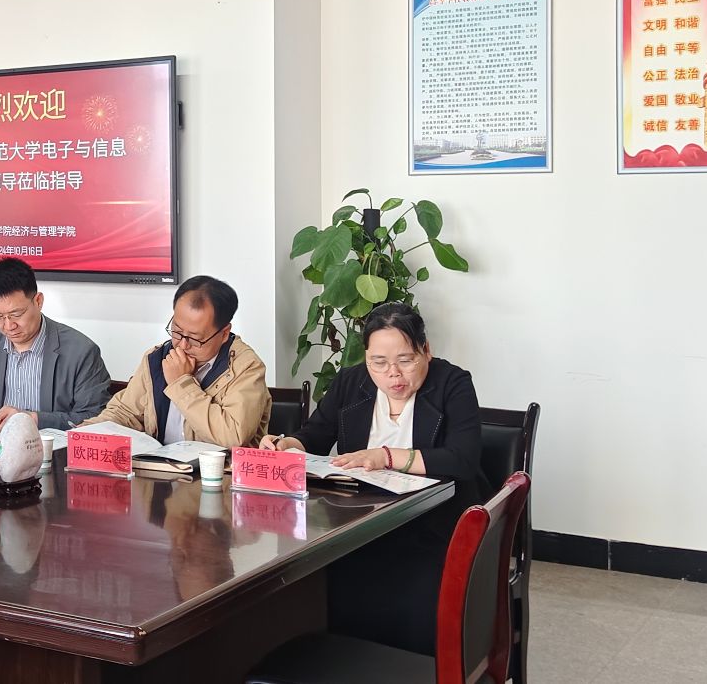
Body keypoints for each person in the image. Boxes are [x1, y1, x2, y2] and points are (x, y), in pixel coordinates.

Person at [261, 301, 486, 654]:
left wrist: (385, 456)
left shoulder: (452, 383)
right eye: (378, 362)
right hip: (363, 520)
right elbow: (315, 435)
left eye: (405, 360)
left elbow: (463, 459)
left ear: (426, 351)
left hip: (435, 522)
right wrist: (287, 444)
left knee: (411, 578)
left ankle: (414, 665)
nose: (393, 375)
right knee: (317, 571)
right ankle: (348, 659)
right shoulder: (351, 382)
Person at [80, 275, 269, 449]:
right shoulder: (156, 358)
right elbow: (125, 412)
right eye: (177, 331)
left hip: (217, 472)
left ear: (224, 333)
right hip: (159, 468)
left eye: (195, 338)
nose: (182, 344)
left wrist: (181, 383)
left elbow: (232, 436)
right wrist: (85, 432)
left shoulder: (246, 367)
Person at [0, 259, 112, 431]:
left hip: (51, 446)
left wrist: (33, 419)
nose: (8, 326)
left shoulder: (81, 351)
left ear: (38, 301)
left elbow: (94, 417)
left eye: (16, 314)